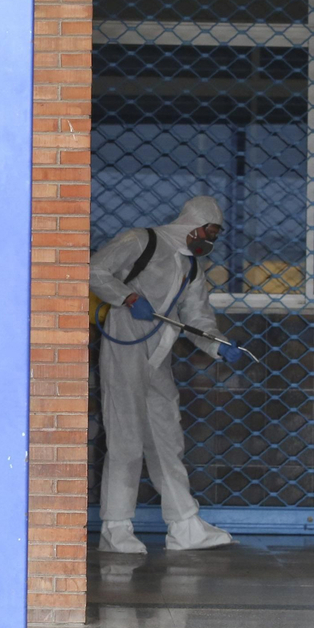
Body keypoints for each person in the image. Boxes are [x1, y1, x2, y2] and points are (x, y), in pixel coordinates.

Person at [90, 195, 241, 554]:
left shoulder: (192, 269)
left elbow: (197, 317)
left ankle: (184, 524)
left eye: (215, 235)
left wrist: (216, 345)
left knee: (166, 438)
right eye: (209, 231)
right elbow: (94, 270)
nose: (210, 240)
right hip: (125, 342)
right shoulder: (141, 241)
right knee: (125, 435)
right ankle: (115, 527)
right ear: (192, 223)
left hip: (159, 353)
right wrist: (126, 298)